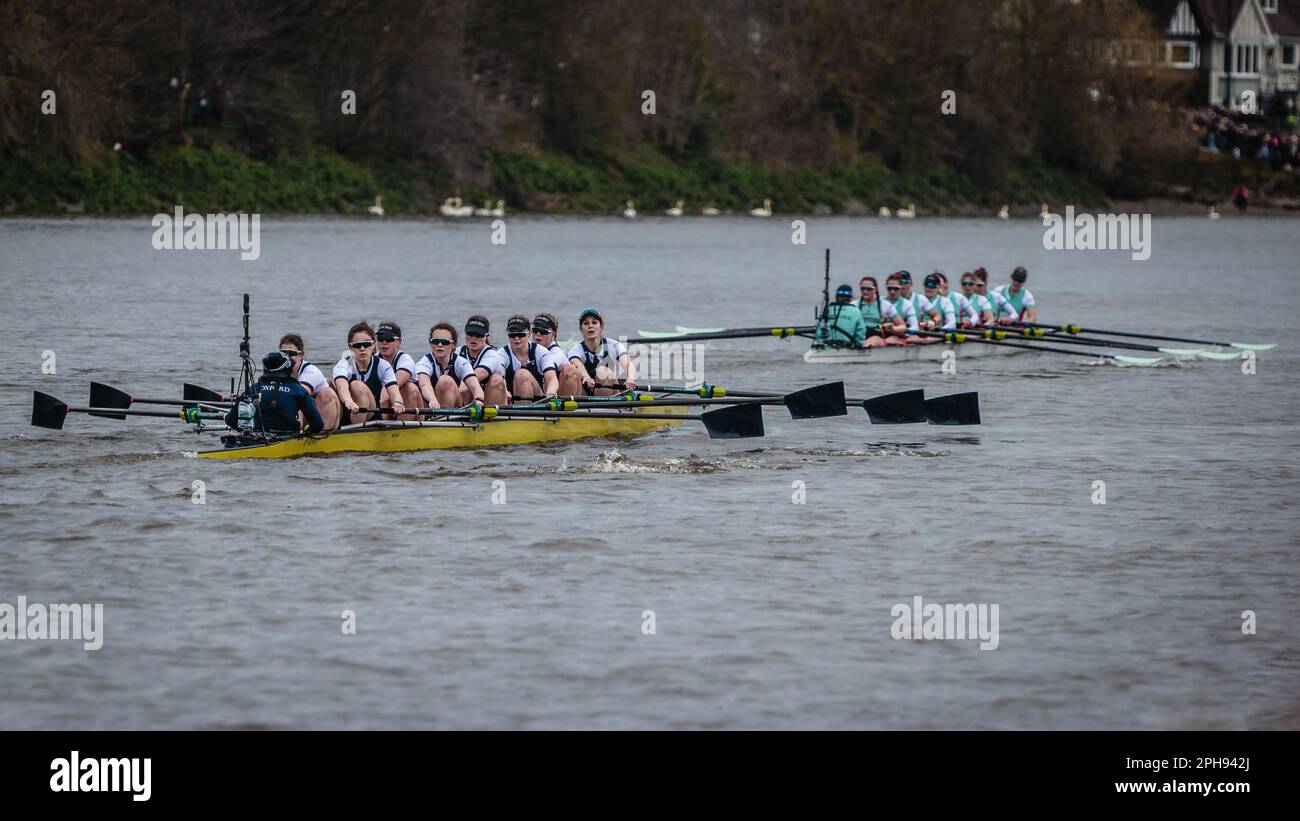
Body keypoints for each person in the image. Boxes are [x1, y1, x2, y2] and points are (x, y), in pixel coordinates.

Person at [226, 351, 324, 434]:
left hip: (256, 438)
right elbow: (318, 425)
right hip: (288, 439)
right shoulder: (298, 390)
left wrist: (246, 432)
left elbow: (231, 420)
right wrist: (306, 434)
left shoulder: (253, 389)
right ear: (288, 369)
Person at [332, 322, 405, 424]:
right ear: (350, 347)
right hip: (348, 413)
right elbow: (341, 386)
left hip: (372, 416)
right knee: (328, 386)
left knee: (357, 385)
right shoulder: (345, 364)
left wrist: (397, 402)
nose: (362, 349)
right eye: (357, 346)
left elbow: (394, 391)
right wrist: (349, 401)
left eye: (366, 344)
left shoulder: (382, 365)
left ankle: (358, 433)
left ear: (374, 344)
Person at [562, 308, 636, 396]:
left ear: (601, 327)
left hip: (609, 388)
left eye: (594, 322)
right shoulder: (576, 350)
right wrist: (586, 377)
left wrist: (630, 379)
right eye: (586, 323)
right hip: (585, 391)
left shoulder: (614, 345)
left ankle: (606, 406)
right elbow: (577, 364)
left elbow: (628, 364)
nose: (590, 326)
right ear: (581, 330)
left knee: (602, 371)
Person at [414, 322, 483, 411]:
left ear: (453, 345)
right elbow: (424, 384)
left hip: (455, 405)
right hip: (432, 405)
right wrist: (432, 399)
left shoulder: (461, 363)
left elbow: (475, 386)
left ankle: (445, 417)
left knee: (444, 380)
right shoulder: (424, 362)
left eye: (444, 342)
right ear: (430, 343)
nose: (439, 345)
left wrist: (479, 399)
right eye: (435, 341)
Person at [279, 333, 340, 430]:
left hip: (325, 415)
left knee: (295, 397)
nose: (287, 358)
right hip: (306, 414)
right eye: (283, 354)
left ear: (301, 355)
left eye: (291, 354)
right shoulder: (277, 371)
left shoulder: (311, 371)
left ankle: (316, 433)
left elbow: (298, 394)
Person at [501, 314, 560, 400]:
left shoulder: (541, 352)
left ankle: (525, 412)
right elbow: (499, 376)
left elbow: (552, 378)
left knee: (522, 374)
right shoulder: (502, 354)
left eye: (521, 334)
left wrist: (551, 391)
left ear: (529, 334)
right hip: (511, 401)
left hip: (538, 401)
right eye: (512, 335)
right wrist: (504, 390)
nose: (516, 338)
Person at [456, 315, 508, 405]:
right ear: (465, 335)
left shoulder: (492, 355)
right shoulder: (457, 352)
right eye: (470, 334)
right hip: (468, 400)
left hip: (492, 403)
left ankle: (489, 416)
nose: (474, 338)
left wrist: (454, 393)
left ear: (486, 336)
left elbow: (478, 375)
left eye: (478, 335)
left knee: (496, 379)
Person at [375, 321, 420, 419]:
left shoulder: (405, 360)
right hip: (387, 409)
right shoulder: (373, 360)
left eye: (389, 339)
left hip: (408, 410)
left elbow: (391, 386)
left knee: (410, 387)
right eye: (381, 338)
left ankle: (402, 428)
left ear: (399, 342)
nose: (384, 342)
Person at [856, 276, 907, 346]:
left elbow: (902, 326)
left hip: (876, 336)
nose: (865, 291)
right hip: (859, 335)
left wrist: (893, 328)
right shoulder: (854, 305)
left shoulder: (885, 305)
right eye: (863, 289)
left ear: (875, 290)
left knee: (870, 342)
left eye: (868, 289)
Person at [884, 273, 925, 341]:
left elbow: (915, 327)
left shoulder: (907, 304)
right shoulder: (880, 301)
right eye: (889, 288)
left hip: (900, 336)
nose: (892, 292)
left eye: (895, 289)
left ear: (901, 288)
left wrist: (902, 332)